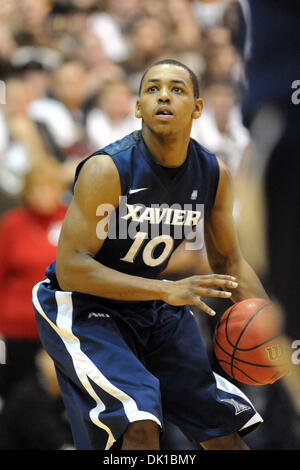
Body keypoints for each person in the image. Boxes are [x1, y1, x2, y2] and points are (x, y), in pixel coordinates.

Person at [32, 59, 269, 451]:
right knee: (139, 422)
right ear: (138, 106)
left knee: (223, 429)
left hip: (154, 305)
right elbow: (72, 268)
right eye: (152, 88)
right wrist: (163, 290)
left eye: (177, 89)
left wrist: (268, 325)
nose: (163, 95)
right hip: (84, 306)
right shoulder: (107, 169)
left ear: (197, 107)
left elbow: (229, 262)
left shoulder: (213, 173)